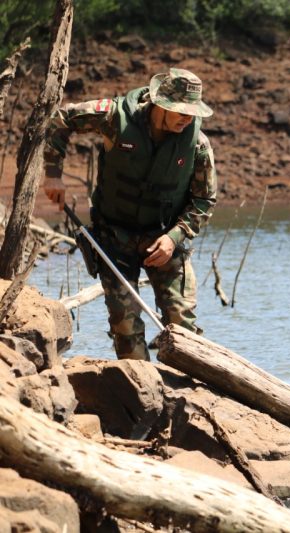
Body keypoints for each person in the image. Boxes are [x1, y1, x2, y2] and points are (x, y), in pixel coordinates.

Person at [43, 68, 217, 361]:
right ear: (160, 104)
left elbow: (204, 201)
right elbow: (62, 118)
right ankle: (139, 384)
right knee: (125, 326)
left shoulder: (197, 144)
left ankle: (186, 382)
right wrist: (52, 174)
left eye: (192, 112)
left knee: (182, 322)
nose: (187, 118)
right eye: (181, 111)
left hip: (164, 239)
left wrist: (174, 238)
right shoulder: (114, 117)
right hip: (114, 238)